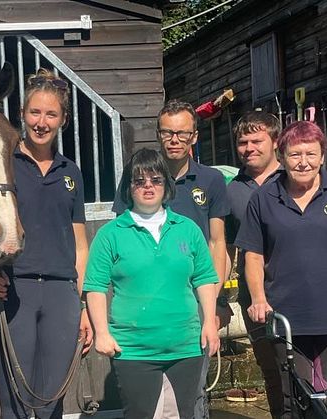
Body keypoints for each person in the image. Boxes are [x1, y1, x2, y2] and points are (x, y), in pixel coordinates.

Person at [235, 121, 327, 419]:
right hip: (286, 314)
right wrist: (258, 299)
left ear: (323, 156)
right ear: (283, 155)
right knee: (296, 397)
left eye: (311, 154)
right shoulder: (265, 198)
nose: (303, 162)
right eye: (295, 154)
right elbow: (252, 254)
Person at [0, 68, 93, 419]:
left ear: (63, 119)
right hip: (14, 289)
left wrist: (83, 302)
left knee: (50, 403)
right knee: (13, 403)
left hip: (61, 295)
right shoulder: (4, 163)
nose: (41, 122)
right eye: (35, 112)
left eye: (51, 114)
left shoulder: (71, 172)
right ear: (22, 114)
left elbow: (79, 243)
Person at [114, 98, 229, 418]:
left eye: (182, 133)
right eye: (167, 133)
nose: (174, 140)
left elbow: (217, 242)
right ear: (158, 134)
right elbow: (121, 236)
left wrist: (215, 304)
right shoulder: (138, 178)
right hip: (146, 310)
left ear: (195, 136)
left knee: (192, 397)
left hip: (193, 304)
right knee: (145, 404)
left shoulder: (211, 181)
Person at [84, 147, 219, 419]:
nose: (148, 186)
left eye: (156, 180)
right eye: (139, 181)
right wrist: (102, 332)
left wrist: (209, 322)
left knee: (183, 415)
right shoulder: (110, 234)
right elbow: (95, 287)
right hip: (134, 350)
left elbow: (205, 278)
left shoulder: (188, 229)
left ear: (166, 185)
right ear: (129, 187)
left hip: (185, 347)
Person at [225, 110, 284, 417]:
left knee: (302, 367)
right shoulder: (233, 190)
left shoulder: (294, 180)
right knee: (271, 369)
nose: (249, 148)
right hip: (255, 295)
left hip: (296, 289)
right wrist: (223, 297)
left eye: (257, 140)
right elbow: (228, 247)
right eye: (243, 142)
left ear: (275, 141)